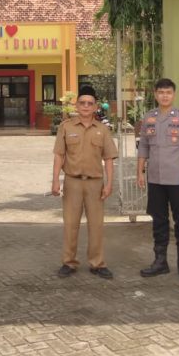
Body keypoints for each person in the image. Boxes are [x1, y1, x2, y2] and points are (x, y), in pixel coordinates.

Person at [136, 78, 179, 281]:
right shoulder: (149, 117)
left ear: (174, 95)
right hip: (155, 179)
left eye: (168, 92)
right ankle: (160, 261)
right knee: (159, 220)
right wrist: (140, 172)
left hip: (178, 180)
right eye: (161, 92)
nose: (165, 96)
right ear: (155, 94)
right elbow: (143, 146)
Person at [51, 85, 118, 279]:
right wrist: (55, 181)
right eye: (82, 103)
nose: (86, 106)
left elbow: (109, 159)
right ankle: (69, 262)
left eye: (90, 103)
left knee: (96, 225)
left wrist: (109, 184)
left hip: (95, 183)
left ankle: (97, 263)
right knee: (70, 224)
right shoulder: (66, 127)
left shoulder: (102, 130)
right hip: (72, 182)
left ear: (96, 106)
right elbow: (59, 155)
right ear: (77, 105)